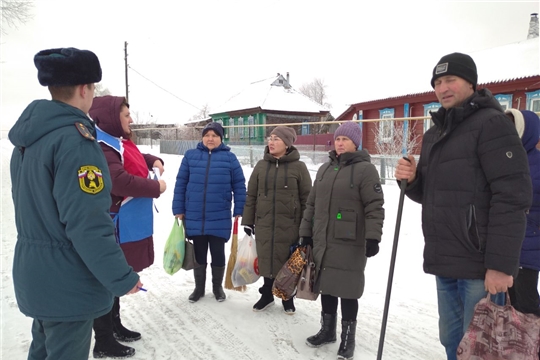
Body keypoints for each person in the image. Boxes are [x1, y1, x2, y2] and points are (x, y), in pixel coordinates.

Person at [394, 53, 532, 360]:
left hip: (479, 266)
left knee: (479, 347)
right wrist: (414, 180)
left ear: (470, 82)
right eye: (437, 82)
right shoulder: (434, 135)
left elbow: (513, 195)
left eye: (450, 80)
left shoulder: (493, 125)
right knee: (451, 339)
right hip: (445, 258)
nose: (442, 88)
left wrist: (500, 264)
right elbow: (433, 195)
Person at [8, 47, 142, 360]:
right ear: (84, 89)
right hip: (67, 283)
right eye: (93, 88)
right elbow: (88, 224)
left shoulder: (31, 136)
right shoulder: (75, 142)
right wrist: (122, 277)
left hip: (38, 275)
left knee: (42, 351)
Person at [88, 95, 167, 358]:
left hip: (121, 222)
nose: (131, 119)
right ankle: (103, 340)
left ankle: (114, 325)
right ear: (112, 118)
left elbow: (132, 155)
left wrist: (152, 159)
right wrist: (156, 187)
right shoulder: (100, 146)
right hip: (111, 224)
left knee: (116, 276)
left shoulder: (115, 142)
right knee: (106, 279)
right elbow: (119, 181)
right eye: (126, 115)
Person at [299, 121, 384, 360]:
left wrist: (373, 237)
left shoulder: (366, 170)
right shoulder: (325, 169)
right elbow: (312, 204)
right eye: (337, 139)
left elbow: (374, 206)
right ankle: (327, 331)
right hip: (323, 238)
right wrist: (305, 232)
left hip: (350, 240)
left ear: (355, 143)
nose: (340, 143)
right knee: (326, 285)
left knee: (348, 289)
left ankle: (348, 339)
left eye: (345, 139)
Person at [172, 122, 246, 303]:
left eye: (214, 135)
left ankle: (217, 287)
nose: (210, 139)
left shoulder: (230, 158)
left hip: (219, 214)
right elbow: (181, 183)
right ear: (202, 137)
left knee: (218, 253)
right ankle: (198, 288)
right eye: (207, 135)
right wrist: (178, 209)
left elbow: (239, 185)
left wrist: (239, 209)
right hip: (194, 213)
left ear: (221, 138)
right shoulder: (191, 156)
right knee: (199, 253)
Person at [241, 126, 312, 314]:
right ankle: (267, 295)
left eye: (276, 139)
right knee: (266, 258)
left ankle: (287, 297)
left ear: (287, 144)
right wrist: (248, 221)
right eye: (270, 138)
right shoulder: (261, 166)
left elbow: (308, 199)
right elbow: (251, 196)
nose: (271, 142)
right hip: (264, 222)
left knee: (287, 261)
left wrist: (307, 228)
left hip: (290, 224)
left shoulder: (299, 167)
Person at [505, 109, 540, 318]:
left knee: (526, 300)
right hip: (503, 241)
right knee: (507, 300)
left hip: (530, 240)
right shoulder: (499, 158)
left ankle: (533, 344)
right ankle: (514, 346)